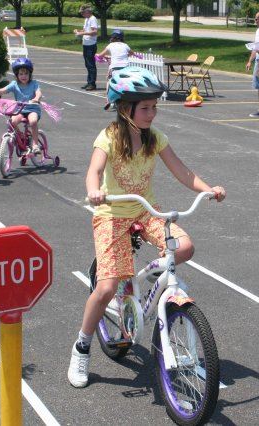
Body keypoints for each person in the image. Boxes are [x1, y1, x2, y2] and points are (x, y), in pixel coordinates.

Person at [67, 67, 226, 388]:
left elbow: (183, 171)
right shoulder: (109, 137)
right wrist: (94, 190)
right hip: (111, 214)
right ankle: (81, 347)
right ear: (125, 110)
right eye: (146, 108)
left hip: (146, 212)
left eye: (155, 106)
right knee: (107, 287)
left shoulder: (156, 139)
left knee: (185, 247)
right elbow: (93, 171)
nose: (153, 113)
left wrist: (208, 189)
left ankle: (144, 282)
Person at [0, 58, 43, 155]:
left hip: (32, 109)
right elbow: (1, 91)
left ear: (30, 74)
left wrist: (36, 99)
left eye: (26, 73)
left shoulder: (34, 84)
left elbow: (39, 93)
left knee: (33, 121)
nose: (23, 76)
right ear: (17, 75)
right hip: (20, 110)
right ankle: (21, 136)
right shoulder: (14, 84)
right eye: (21, 74)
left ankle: (35, 144)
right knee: (13, 122)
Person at [96, 29, 135, 95]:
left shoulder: (111, 45)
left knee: (109, 80)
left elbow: (100, 55)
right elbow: (132, 53)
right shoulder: (125, 45)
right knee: (124, 81)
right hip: (125, 67)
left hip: (115, 66)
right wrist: (125, 55)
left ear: (113, 37)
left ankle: (108, 97)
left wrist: (97, 56)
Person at [74, 5, 98, 91]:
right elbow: (86, 30)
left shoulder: (92, 19)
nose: (82, 14)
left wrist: (82, 34)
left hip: (91, 44)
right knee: (87, 64)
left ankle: (92, 84)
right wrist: (79, 31)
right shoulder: (87, 19)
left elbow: (94, 32)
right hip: (86, 44)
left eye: (83, 12)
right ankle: (89, 82)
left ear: (87, 11)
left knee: (91, 64)